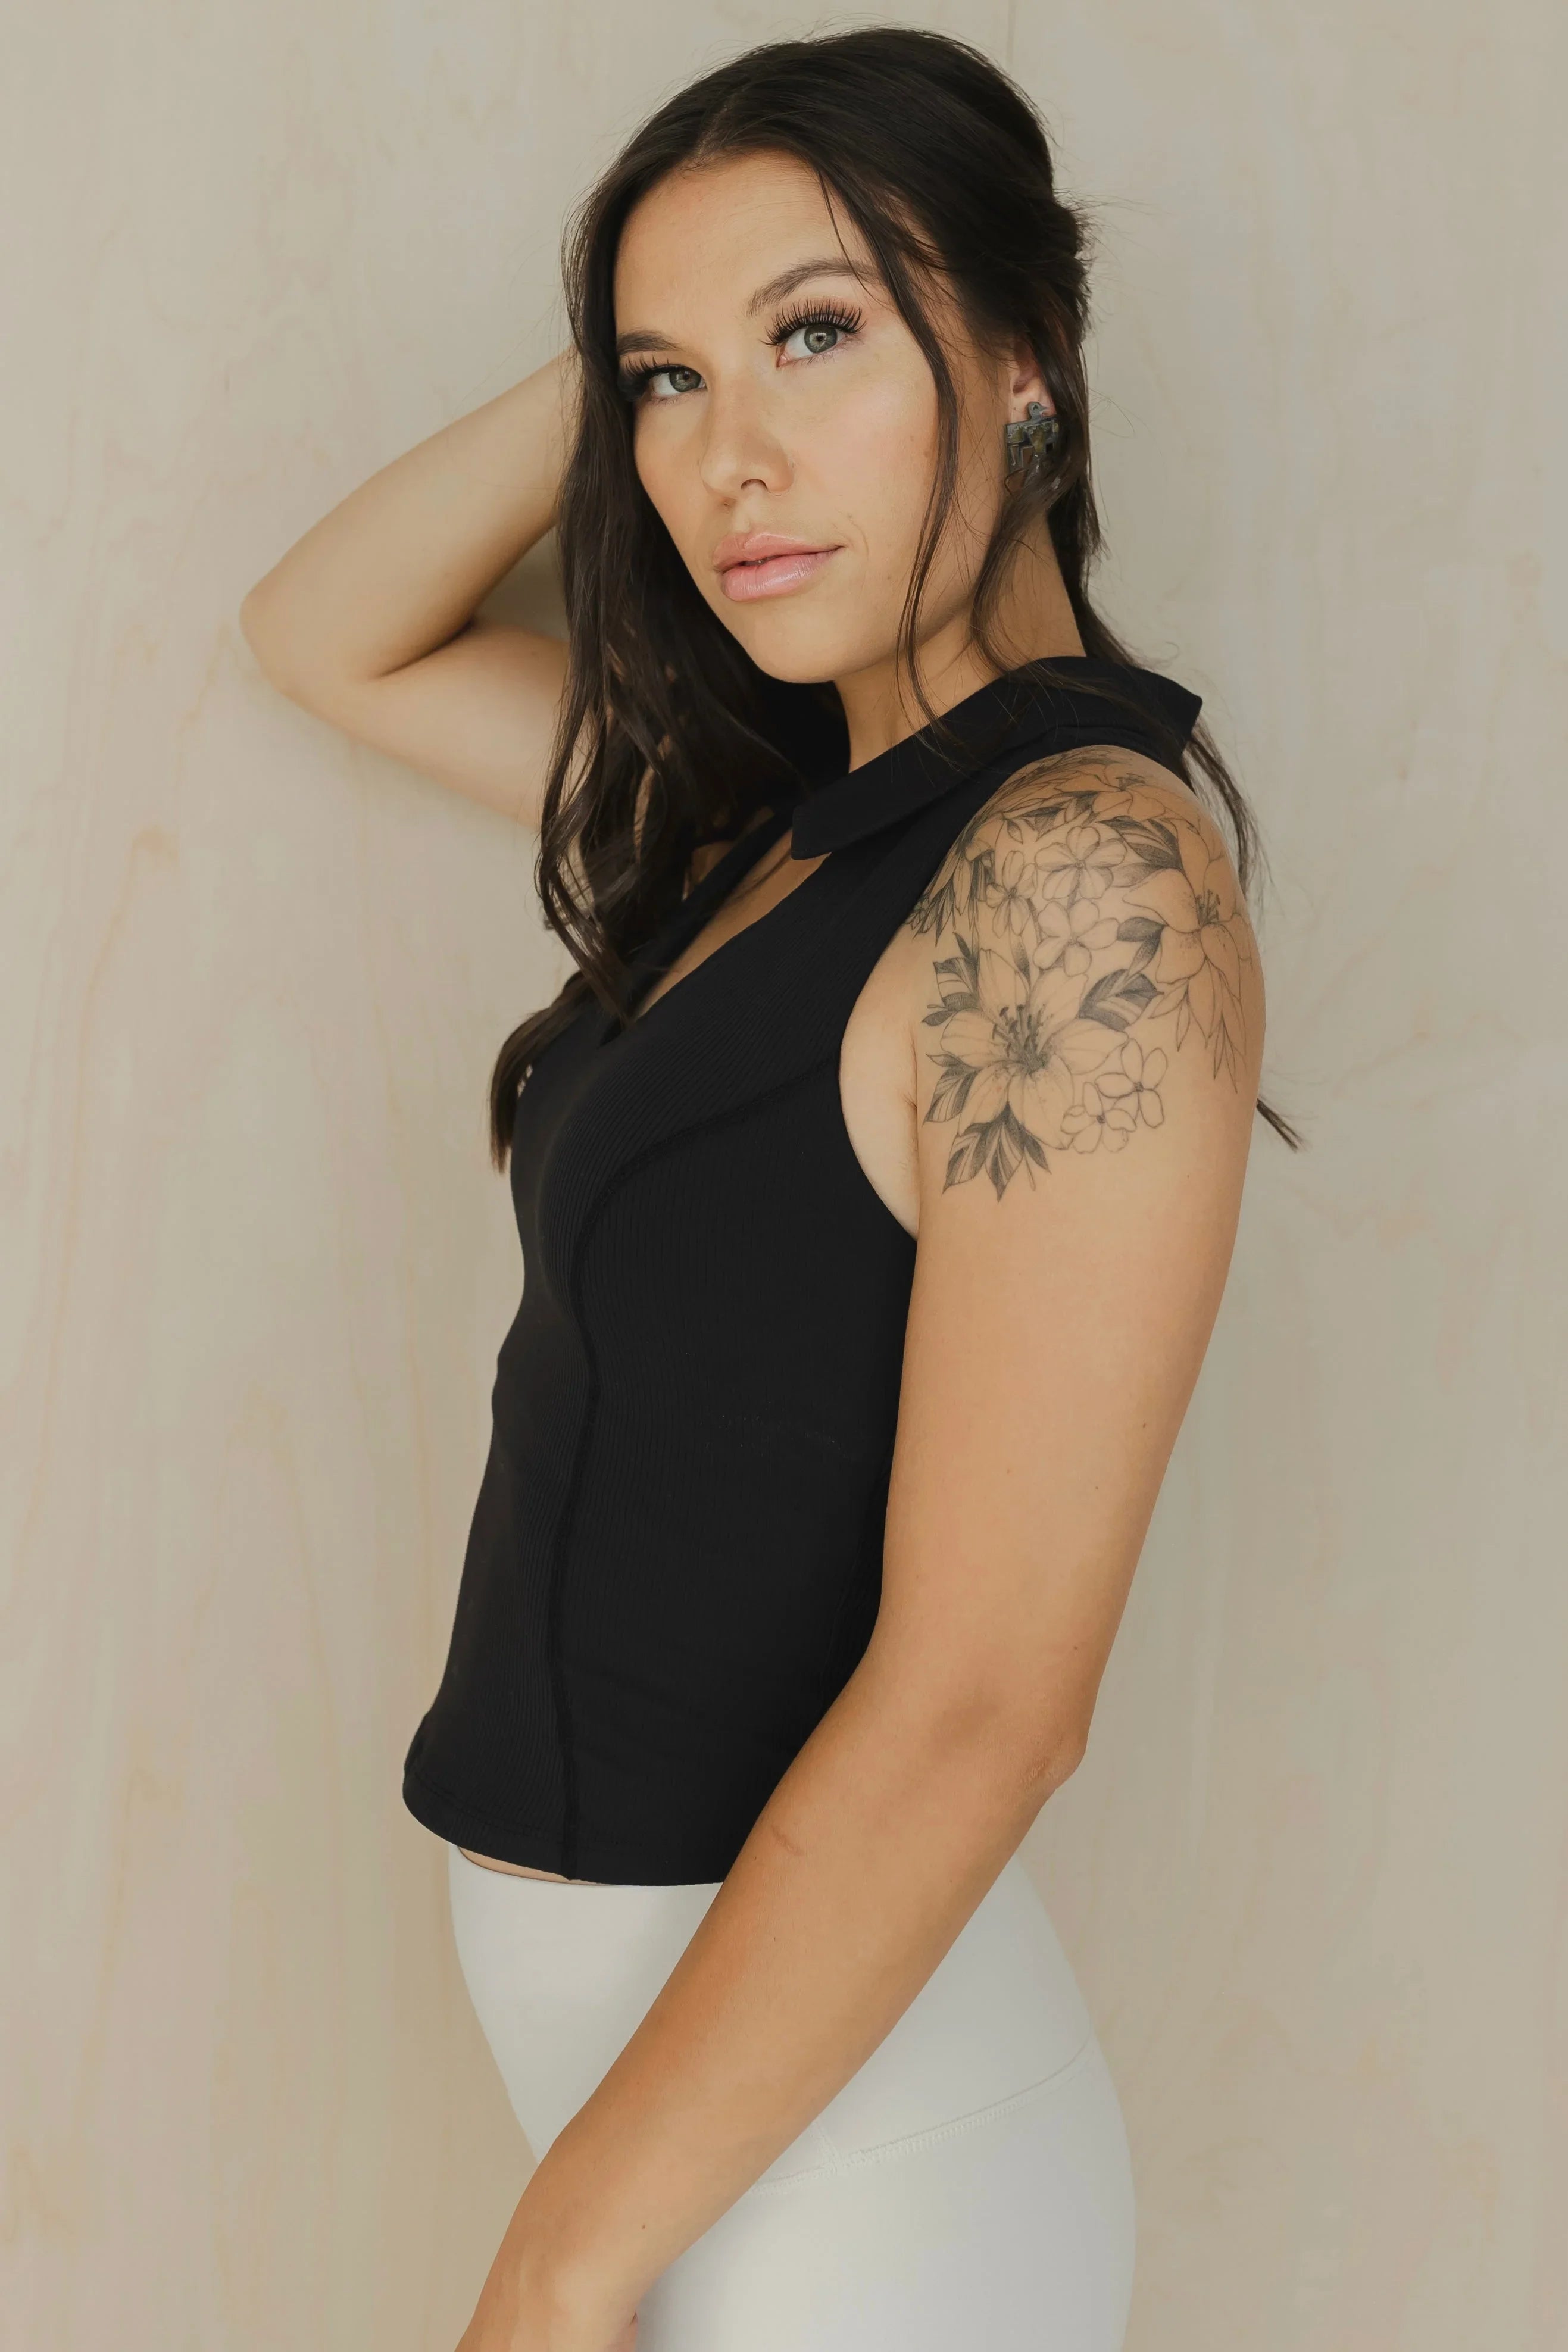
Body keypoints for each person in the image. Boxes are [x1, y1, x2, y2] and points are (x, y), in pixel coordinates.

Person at [240, 26, 1294, 2351]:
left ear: (1023, 363)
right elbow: (322, 632)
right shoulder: (771, 825)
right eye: (664, 385)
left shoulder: (1076, 888)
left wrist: (555, 2264)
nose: (730, 460)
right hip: (687, 2101)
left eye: (820, 335)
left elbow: (987, 1697)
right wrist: (663, 314)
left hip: (862, 2164)